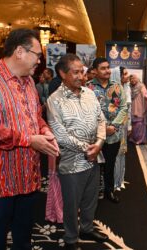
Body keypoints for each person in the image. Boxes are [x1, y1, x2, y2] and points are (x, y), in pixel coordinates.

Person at [0, 28, 60, 250]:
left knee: (24, 236)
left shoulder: (29, 83)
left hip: (29, 176)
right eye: (38, 54)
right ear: (19, 51)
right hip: (0, 179)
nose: (40, 61)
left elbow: (36, 117)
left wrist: (45, 131)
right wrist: (28, 139)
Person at [47, 54, 107, 249]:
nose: (82, 76)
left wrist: (99, 143)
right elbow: (60, 135)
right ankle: (71, 238)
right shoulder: (54, 100)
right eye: (76, 72)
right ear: (62, 73)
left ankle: (87, 228)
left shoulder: (89, 93)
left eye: (83, 71)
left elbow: (101, 120)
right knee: (72, 204)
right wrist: (87, 149)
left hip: (94, 157)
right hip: (71, 162)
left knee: (91, 198)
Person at [89, 57, 127, 203]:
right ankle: (92, 193)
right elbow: (85, 111)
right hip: (94, 136)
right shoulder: (88, 88)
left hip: (113, 135)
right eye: (103, 68)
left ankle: (109, 191)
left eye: (108, 67)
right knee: (93, 165)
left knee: (110, 164)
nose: (107, 70)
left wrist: (114, 126)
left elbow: (123, 108)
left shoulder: (117, 86)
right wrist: (102, 128)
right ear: (94, 71)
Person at [111, 66, 132, 190]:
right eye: (124, 74)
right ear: (118, 76)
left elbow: (129, 110)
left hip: (123, 125)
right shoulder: (114, 91)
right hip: (116, 125)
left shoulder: (126, 88)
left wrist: (129, 125)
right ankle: (114, 181)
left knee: (122, 152)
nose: (127, 75)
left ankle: (120, 179)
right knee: (115, 153)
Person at [129, 74, 147, 144]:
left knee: (140, 124)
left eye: (134, 78)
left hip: (140, 106)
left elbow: (145, 94)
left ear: (137, 78)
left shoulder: (141, 86)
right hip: (133, 106)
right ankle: (134, 138)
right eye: (131, 79)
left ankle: (141, 139)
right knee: (134, 124)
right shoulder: (130, 87)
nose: (133, 80)